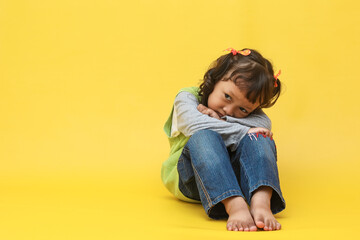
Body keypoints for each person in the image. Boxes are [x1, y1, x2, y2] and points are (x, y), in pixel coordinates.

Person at [161, 48, 286, 231]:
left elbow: (264, 123)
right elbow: (193, 124)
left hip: (234, 179)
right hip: (190, 180)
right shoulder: (187, 97)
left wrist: (218, 119)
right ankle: (234, 205)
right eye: (227, 96)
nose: (229, 110)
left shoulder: (242, 114)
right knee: (204, 135)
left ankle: (260, 201)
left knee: (260, 136)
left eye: (243, 110)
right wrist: (243, 129)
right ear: (215, 79)